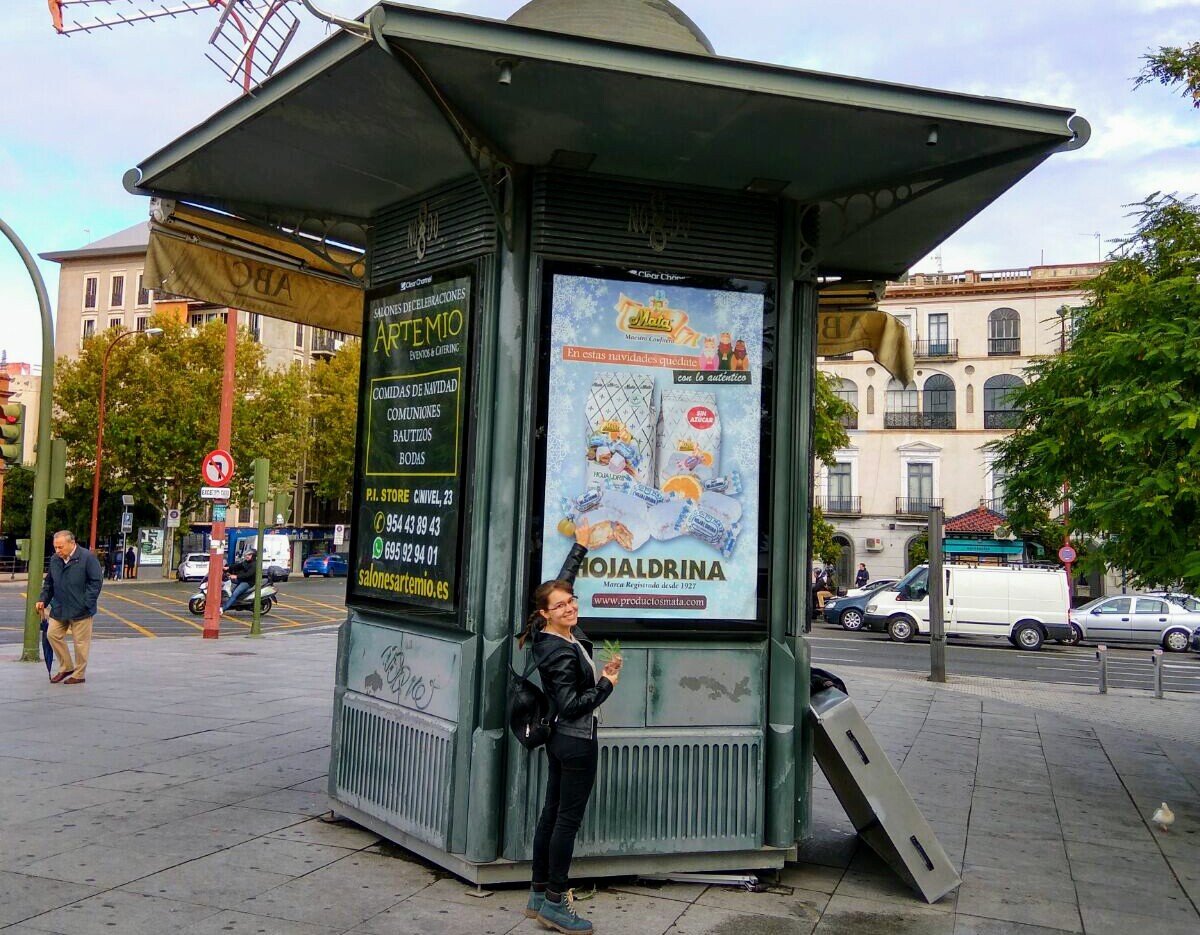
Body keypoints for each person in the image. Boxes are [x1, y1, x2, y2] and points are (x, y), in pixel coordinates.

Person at [518, 520, 619, 934]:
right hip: (576, 742)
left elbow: (560, 583)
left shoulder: (558, 633)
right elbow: (573, 704)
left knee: (551, 816)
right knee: (565, 823)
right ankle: (557, 903)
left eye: (572, 601)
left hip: (563, 742)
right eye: (560, 606)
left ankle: (538, 894)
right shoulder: (557, 648)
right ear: (544, 614)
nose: (570, 607)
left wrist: (579, 548)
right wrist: (607, 684)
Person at [36, 530, 103, 685]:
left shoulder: (87, 558)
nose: (57, 551)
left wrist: (87, 603)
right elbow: (49, 583)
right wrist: (43, 600)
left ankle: (79, 674)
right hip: (59, 607)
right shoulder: (55, 559)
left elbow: (96, 582)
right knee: (52, 634)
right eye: (55, 547)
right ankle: (66, 667)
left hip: (81, 609)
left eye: (60, 547)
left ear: (72, 543)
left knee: (80, 643)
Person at [221, 548, 257, 614]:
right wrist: (228, 568)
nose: (247, 556)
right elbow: (238, 565)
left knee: (234, 594)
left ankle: (222, 609)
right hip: (242, 579)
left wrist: (236, 576)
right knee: (229, 583)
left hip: (247, 582)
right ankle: (233, 602)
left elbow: (248, 574)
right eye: (246, 555)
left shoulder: (254, 564)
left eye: (249, 555)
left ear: (253, 556)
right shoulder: (246, 562)